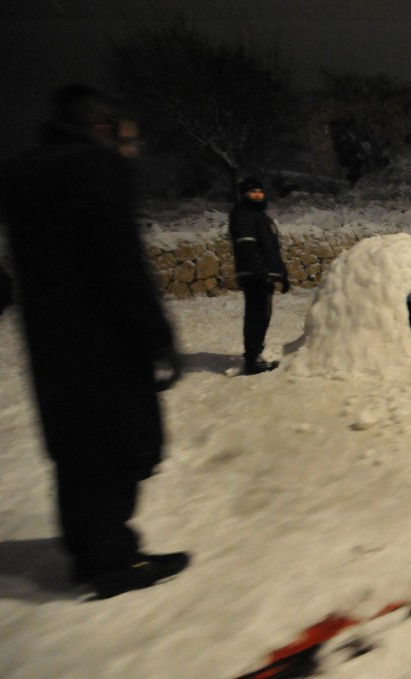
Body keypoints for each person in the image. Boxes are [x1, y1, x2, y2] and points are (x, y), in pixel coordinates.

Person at [0, 85, 189, 597]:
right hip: (106, 339)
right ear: (101, 128)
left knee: (77, 449)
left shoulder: (20, 172)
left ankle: (90, 553)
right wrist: (156, 334)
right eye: (126, 139)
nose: (130, 150)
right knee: (117, 444)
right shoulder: (96, 168)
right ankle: (112, 560)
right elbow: (122, 262)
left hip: (50, 341)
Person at [229, 176, 289, 374]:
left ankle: (255, 355)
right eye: (253, 191)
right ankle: (252, 360)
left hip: (263, 273)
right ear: (244, 194)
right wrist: (260, 272)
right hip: (254, 273)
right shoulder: (243, 214)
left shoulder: (260, 216)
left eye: (260, 191)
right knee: (256, 316)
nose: (257, 195)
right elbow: (247, 246)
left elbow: (272, 249)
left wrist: (282, 274)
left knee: (263, 315)